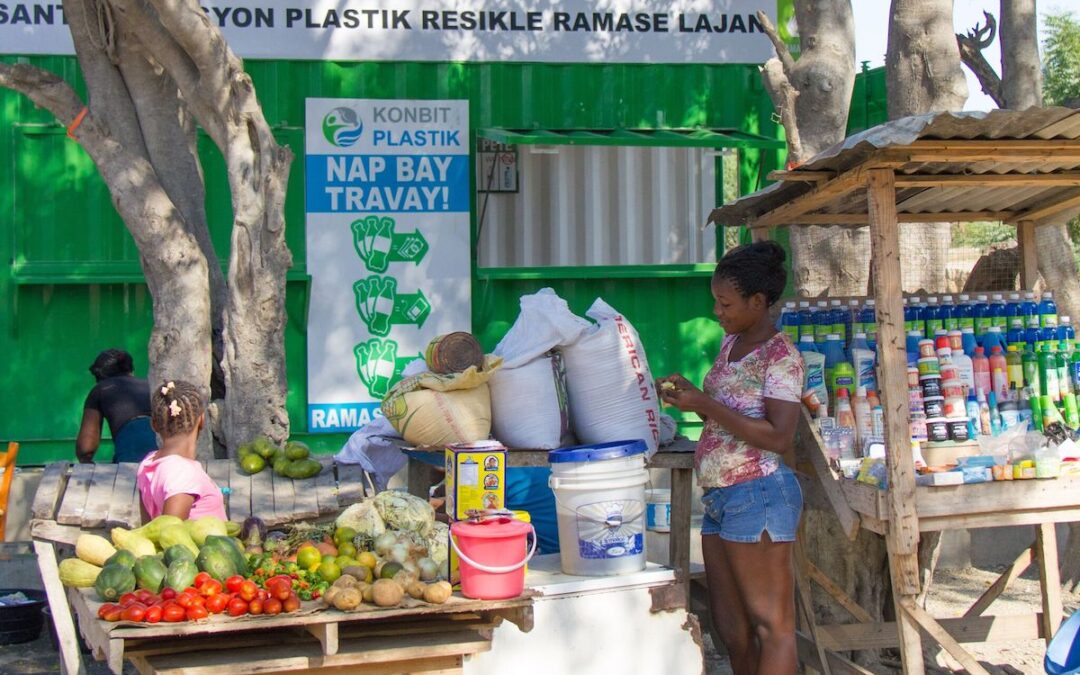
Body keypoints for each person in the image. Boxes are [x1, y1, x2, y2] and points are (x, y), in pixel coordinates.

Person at [657, 240, 804, 675]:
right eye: (716, 302)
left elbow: (779, 436)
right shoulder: (731, 343)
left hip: (760, 495)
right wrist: (693, 397)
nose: (717, 311)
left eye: (725, 303)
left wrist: (706, 403)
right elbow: (726, 416)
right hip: (721, 498)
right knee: (732, 628)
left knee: (771, 626)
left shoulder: (781, 356)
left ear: (757, 302)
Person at [136, 380, 226, 522]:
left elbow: (147, 528)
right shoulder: (183, 474)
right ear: (202, 420)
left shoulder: (148, 464)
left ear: (154, 424)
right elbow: (172, 532)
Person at [76, 349, 156, 464]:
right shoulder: (151, 385)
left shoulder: (100, 389)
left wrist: (86, 463)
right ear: (131, 370)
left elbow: (86, 449)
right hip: (167, 456)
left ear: (99, 377)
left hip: (130, 458)